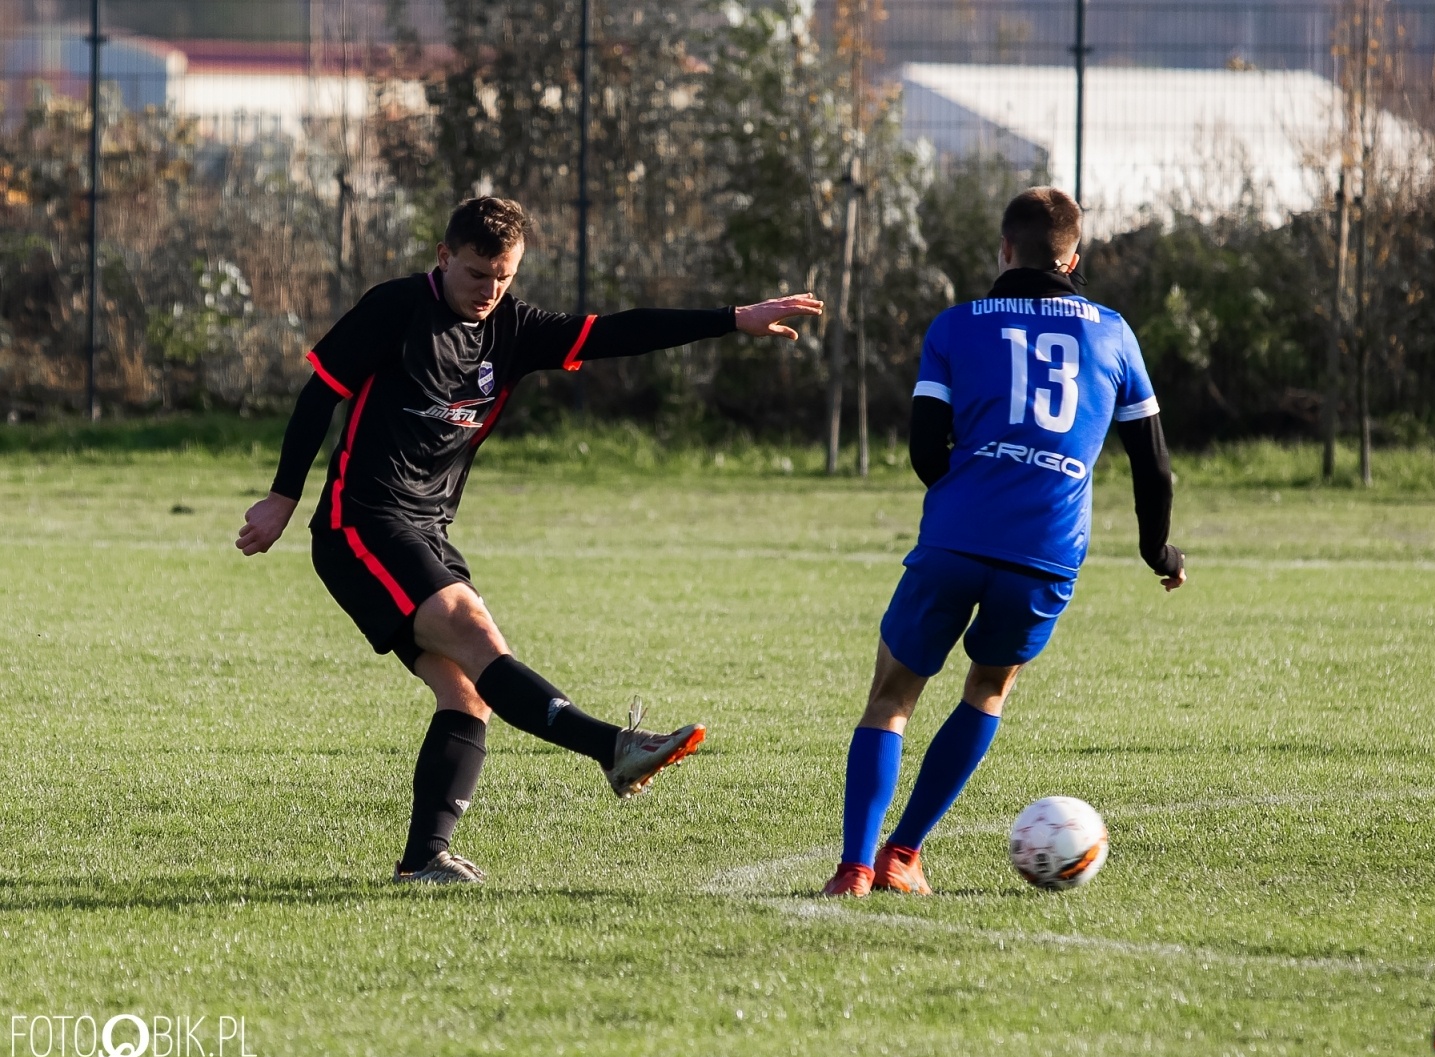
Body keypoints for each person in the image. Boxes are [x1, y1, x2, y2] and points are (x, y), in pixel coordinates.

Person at [238, 196, 823, 884]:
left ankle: (424, 859)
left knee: (469, 691)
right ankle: (614, 746)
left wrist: (731, 319)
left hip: (427, 528)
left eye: (504, 277)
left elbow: (617, 332)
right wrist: (283, 495)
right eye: (477, 273)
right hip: (359, 521)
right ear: (444, 257)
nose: (489, 290)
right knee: (470, 626)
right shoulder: (394, 308)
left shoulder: (513, 328)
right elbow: (320, 394)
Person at [822, 187, 1184, 897]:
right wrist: (1157, 551)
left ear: (1004, 249)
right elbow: (1155, 464)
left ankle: (856, 867)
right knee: (986, 689)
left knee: (892, 696)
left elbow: (926, 448)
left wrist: (964, 491)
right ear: (1074, 257)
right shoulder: (1113, 331)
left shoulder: (956, 326)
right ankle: (904, 854)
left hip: (955, 537)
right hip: (1046, 551)